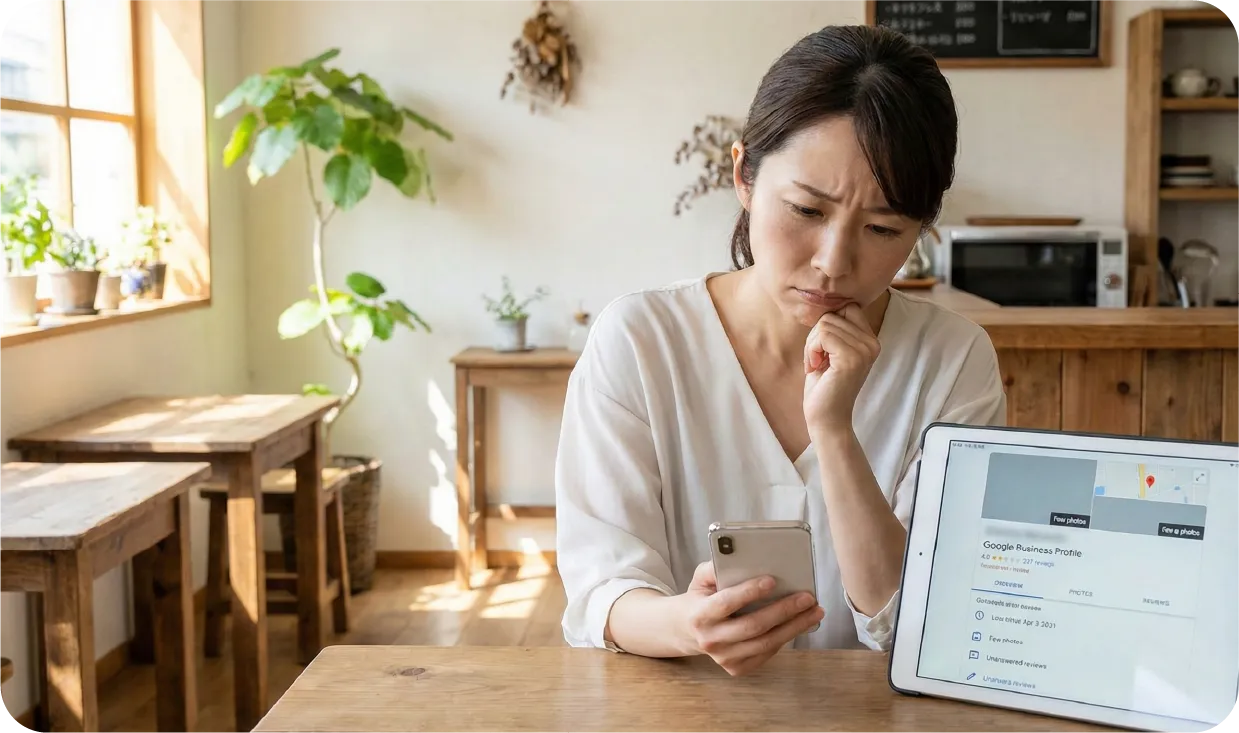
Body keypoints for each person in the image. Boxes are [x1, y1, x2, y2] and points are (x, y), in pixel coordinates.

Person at [554, 24, 1006, 677]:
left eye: (882, 228)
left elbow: (921, 617)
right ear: (742, 174)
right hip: (683, 709)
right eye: (804, 209)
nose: (833, 262)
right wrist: (685, 624)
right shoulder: (639, 340)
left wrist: (835, 432)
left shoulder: (951, 358)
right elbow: (602, 589)